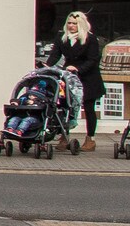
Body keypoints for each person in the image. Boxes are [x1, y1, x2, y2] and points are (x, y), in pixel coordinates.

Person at [44, 11, 105, 151]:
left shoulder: (90, 39)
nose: (71, 26)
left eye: (74, 23)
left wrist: (77, 68)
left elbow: (92, 60)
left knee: (89, 108)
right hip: (69, 76)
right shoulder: (62, 37)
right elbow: (55, 55)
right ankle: (64, 136)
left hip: (88, 77)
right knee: (66, 106)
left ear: (81, 24)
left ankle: (91, 139)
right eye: (69, 23)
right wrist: (47, 66)